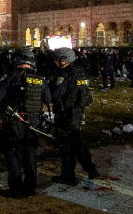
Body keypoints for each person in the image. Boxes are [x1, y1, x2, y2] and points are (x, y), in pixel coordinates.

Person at [0, 49, 50, 198]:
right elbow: (48, 98)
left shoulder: (10, 77)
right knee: (29, 152)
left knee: (12, 152)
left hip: (14, 121)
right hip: (34, 121)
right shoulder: (39, 78)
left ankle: (16, 188)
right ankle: (30, 187)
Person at [50, 47, 98, 186]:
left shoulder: (64, 74)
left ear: (64, 61)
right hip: (77, 111)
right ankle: (91, 169)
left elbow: (57, 96)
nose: (55, 62)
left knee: (66, 145)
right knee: (77, 142)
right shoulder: (80, 72)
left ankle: (68, 176)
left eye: (56, 59)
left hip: (66, 113)